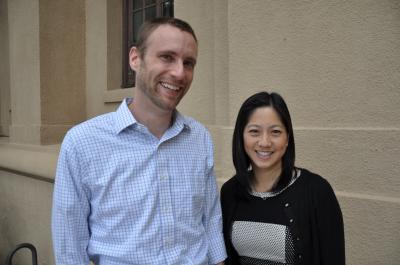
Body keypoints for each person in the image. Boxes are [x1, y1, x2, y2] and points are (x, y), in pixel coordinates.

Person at [52, 17, 227, 265]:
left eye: (188, 63)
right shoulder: (81, 143)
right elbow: (70, 248)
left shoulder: (199, 138)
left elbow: (209, 219)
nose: (179, 72)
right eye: (167, 57)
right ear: (135, 58)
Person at [220, 91, 345, 265]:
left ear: (287, 139)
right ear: (241, 137)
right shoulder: (230, 192)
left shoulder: (316, 191)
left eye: (275, 132)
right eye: (254, 131)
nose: (264, 142)